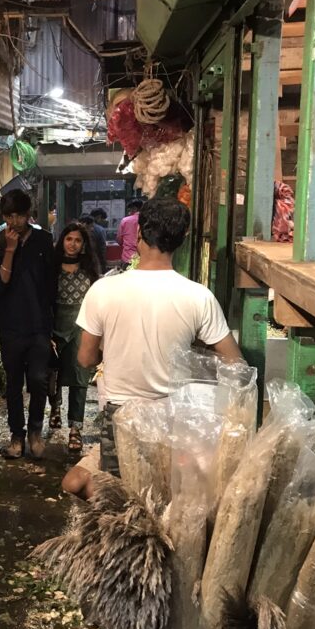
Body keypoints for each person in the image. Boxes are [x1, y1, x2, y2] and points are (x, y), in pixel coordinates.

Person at [77, 197, 243, 476]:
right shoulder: (199, 297)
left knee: (117, 501)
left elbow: (85, 359)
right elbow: (235, 364)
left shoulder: (102, 291)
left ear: (139, 233)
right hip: (174, 418)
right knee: (166, 498)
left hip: (121, 416)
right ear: (182, 240)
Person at [0, 188, 56, 460]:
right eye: (9, 216)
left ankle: (35, 432)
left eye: (19, 215)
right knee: (13, 383)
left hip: (39, 325)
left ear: (29, 215)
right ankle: (17, 435)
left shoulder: (43, 241)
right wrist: (10, 250)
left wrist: (52, 326)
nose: (14, 222)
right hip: (11, 325)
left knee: (38, 380)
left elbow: (52, 285)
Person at [48, 222, 102, 458]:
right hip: (55, 325)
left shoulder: (90, 271)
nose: (72, 244)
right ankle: (55, 409)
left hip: (82, 328)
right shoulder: (51, 269)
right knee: (54, 374)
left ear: (83, 245)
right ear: (62, 242)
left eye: (77, 240)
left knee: (80, 377)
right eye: (68, 239)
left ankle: (75, 429)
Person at [117, 199, 143, 267]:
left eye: (129, 210)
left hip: (128, 258)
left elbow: (119, 240)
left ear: (135, 208)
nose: (129, 212)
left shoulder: (125, 221)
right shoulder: (147, 220)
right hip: (144, 258)